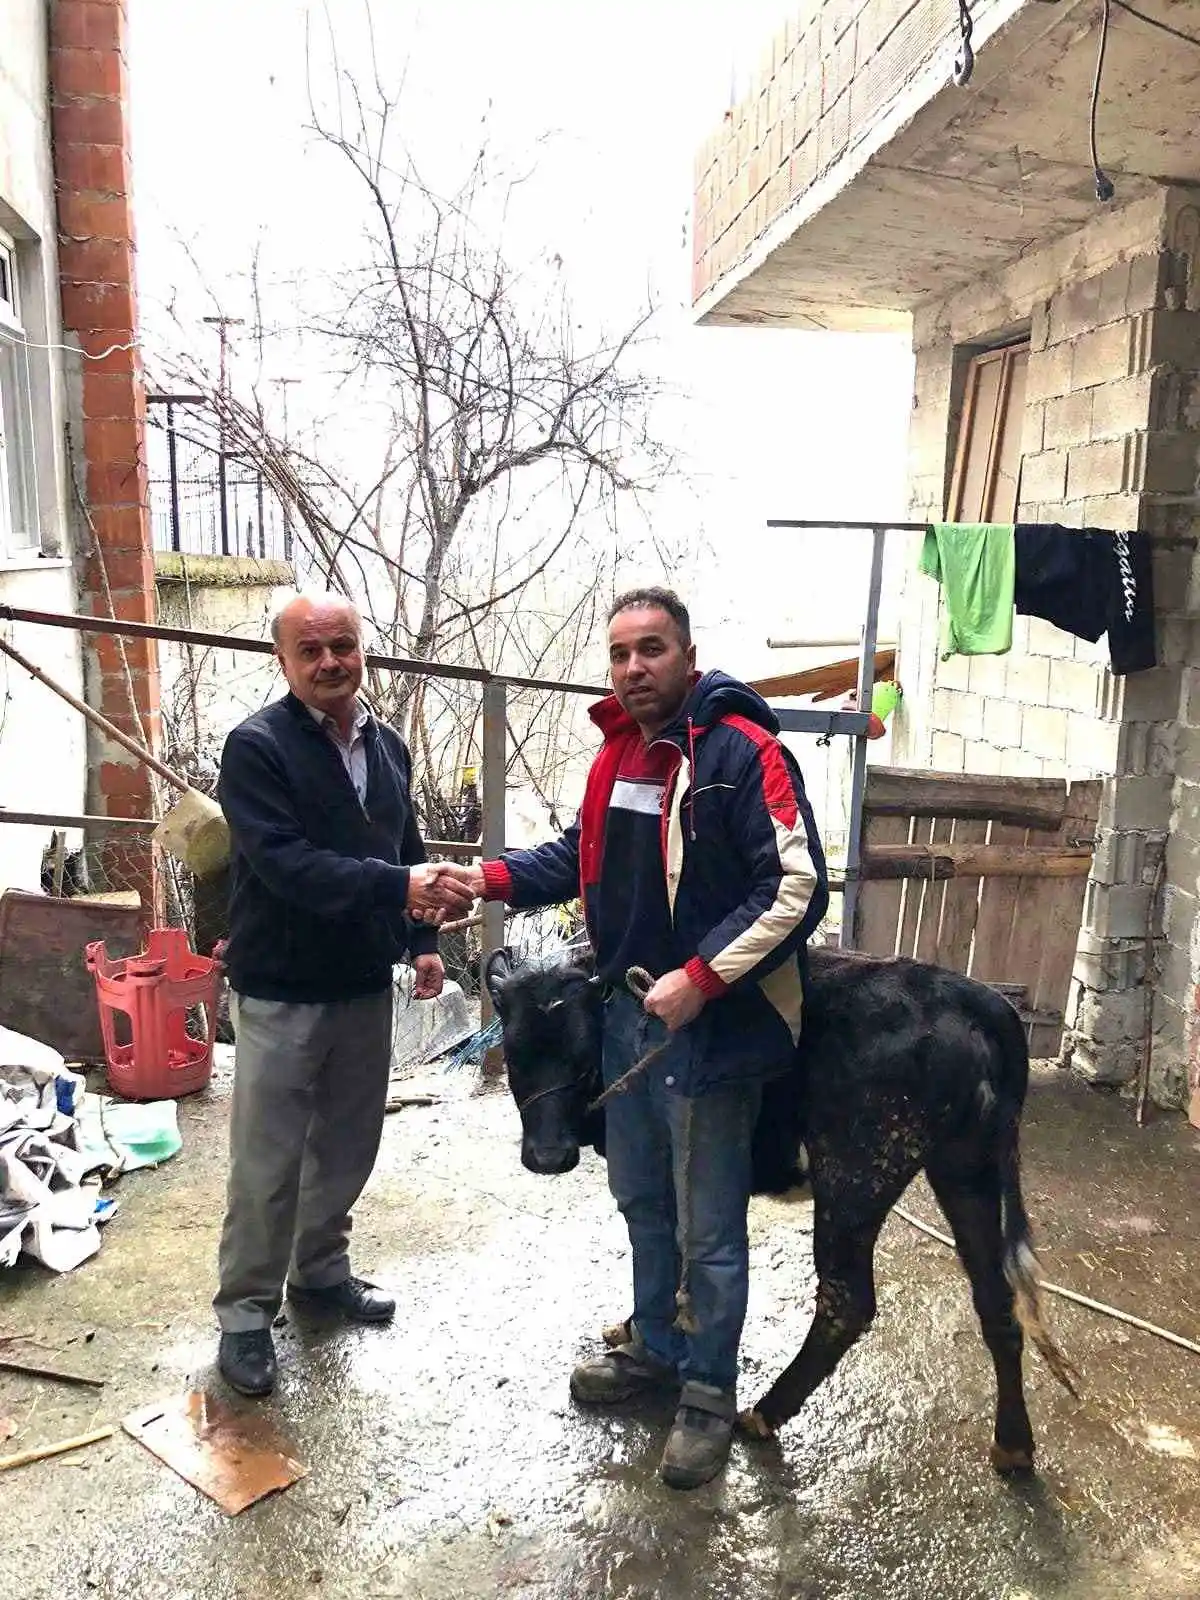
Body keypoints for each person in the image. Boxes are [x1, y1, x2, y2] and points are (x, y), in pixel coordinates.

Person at [443, 587, 828, 1489]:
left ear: (688, 656)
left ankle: (705, 1393)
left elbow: (795, 886)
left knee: (709, 1225)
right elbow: (581, 856)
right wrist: (485, 878)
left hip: (715, 1027)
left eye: (651, 649)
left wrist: (700, 980)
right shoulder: (619, 752)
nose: (634, 668)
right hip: (627, 1017)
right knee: (642, 1197)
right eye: (620, 653)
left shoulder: (739, 751)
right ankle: (656, 1346)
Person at [213, 593, 473, 1397]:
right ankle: (246, 1316)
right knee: (268, 1161)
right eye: (312, 650)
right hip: (283, 990)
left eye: (344, 647)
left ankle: (320, 1272)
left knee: (348, 1146)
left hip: (364, 985)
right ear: (284, 662)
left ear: (364, 653)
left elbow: (408, 847)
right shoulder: (256, 749)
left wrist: (424, 942)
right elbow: (285, 865)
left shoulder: (386, 745)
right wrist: (401, 888)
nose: (331, 662)